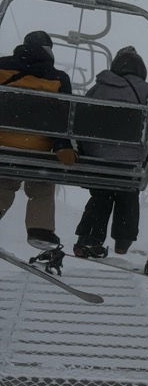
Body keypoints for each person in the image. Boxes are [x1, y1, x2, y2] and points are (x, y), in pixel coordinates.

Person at [73, 46, 148, 259]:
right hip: (131, 158)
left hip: (98, 155)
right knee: (128, 194)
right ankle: (123, 241)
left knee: (101, 195)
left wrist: (84, 148)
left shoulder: (99, 87)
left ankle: (89, 238)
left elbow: (81, 116)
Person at [0, 29, 76, 247]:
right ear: (49, 51)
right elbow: (65, 116)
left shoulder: (2, 66)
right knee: (42, 185)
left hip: (2, 143)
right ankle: (39, 230)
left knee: (3, 183)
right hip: (38, 147)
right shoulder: (58, 78)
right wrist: (62, 145)